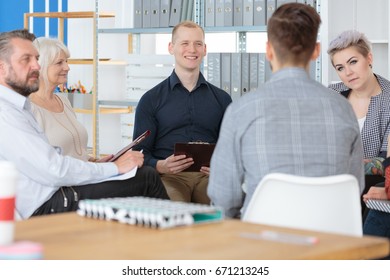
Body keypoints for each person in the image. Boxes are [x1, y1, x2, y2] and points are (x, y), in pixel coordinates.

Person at [207, 3, 364, 218]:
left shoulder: (241, 110)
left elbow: (224, 200)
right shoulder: (343, 109)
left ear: (269, 50)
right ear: (316, 51)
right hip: (329, 245)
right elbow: (353, 189)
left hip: (263, 245)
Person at [0, 29, 169, 219]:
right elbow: (55, 169)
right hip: (47, 204)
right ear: (2, 67)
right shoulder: (6, 113)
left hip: (57, 191)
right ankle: (178, 243)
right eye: (26, 59)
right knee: (146, 178)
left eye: (36, 59)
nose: (36, 66)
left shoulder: (21, 107)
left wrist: (99, 165)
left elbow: (54, 159)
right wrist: (114, 168)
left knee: (141, 177)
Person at [132, 21, 232, 204]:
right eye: (185, 43)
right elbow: (139, 153)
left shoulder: (222, 99)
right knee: (176, 209)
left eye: (198, 44)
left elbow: (231, 149)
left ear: (205, 49)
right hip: (170, 177)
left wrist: (222, 164)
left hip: (209, 178)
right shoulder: (150, 100)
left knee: (223, 203)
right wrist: (160, 165)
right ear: (171, 48)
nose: (192, 50)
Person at [29, 37, 110, 162]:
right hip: (64, 180)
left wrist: (94, 162)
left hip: (83, 176)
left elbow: (75, 152)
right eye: (59, 62)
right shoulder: (29, 108)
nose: (67, 67)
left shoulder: (64, 101)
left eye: (66, 61)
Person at [328, 30, 390, 160]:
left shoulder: (388, 99)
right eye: (340, 68)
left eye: (353, 62)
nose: (348, 72)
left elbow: (386, 161)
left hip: (372, 180)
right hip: (327, 177)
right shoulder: (332, 94)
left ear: (369, 58)